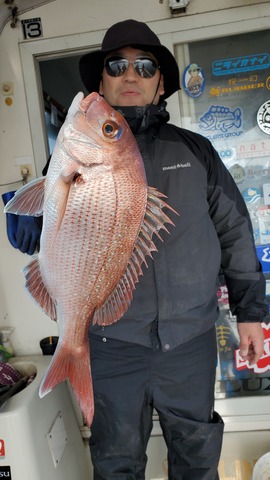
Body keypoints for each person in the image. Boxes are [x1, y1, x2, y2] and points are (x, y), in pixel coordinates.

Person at [4, 18, 267, 480]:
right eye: (117, 65)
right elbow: (41, 234)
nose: (131, 74)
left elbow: (235, 233)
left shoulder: (197, 150)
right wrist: (24, 215)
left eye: (144, 66)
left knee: (198, 455)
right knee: (116, 461)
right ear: (102, 81)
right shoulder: (68, 157)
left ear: (160, 82)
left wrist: (251, 314)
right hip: (110, 344)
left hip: (190, 343)